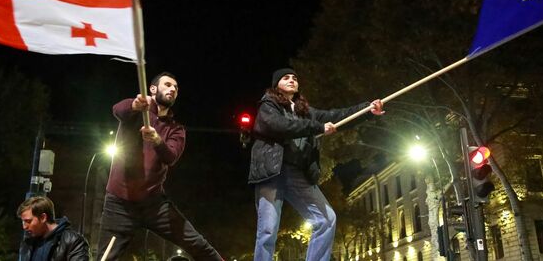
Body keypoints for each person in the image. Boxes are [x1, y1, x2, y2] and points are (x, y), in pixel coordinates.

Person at [249, 68, 385, 261]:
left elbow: (337, 116)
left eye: (295, 78)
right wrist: (318, 127)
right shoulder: (268, 105)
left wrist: (367, 110)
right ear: (276, 84)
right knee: (268, 229)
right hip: (272, 172)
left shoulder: (306, 112)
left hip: (298, 174)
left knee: (326, 219)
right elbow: (278, 126)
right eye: (285, 78)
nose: (291, 80)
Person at [97, 72, 223, 261]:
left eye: (176, 87)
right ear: (153, 89)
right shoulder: (138, 110)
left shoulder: (176, 129)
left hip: (154, 204)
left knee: (198, 244)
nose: (172, 89)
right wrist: (134, 104)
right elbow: (118, 110)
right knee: (105, 258)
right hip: (119, 203)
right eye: (167, 84)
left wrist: (157, 140)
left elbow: (170, 156)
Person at [18, 196, 89, 261]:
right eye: (23, 222)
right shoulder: (28, 242)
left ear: (43, 218)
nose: (24, 227)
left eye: (28, 221)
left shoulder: (73, 241)